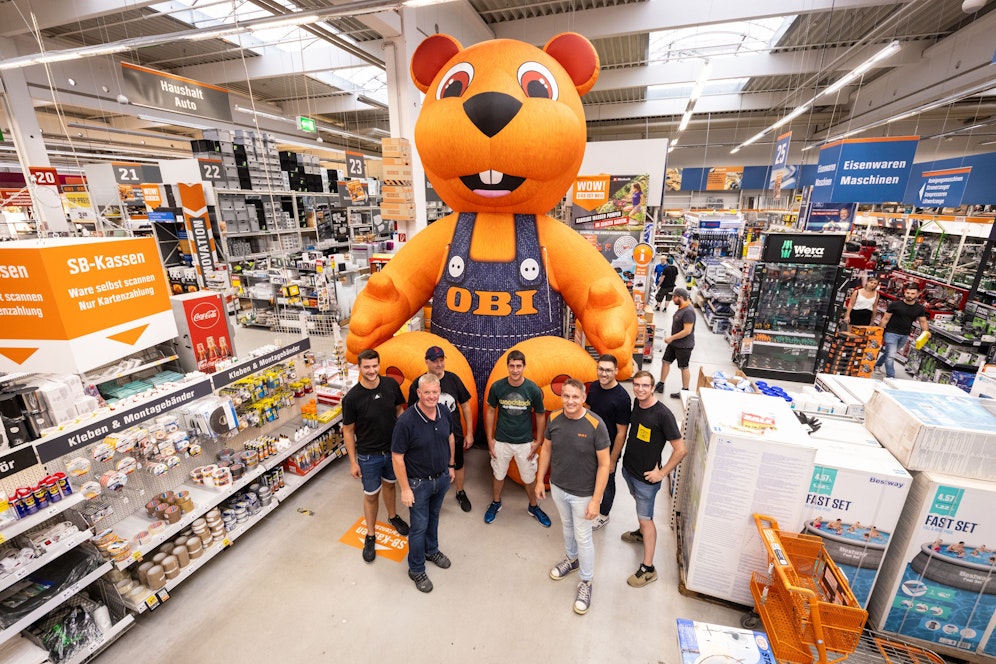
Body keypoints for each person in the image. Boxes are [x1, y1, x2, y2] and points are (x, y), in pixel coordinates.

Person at [536, 378, 611, 614]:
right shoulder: (554, 418)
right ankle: (571, 559)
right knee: (567, 527)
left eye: (575, 397)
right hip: (559, 487)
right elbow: (546, 448)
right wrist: (540, 480)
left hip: (583, 494)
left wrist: (596, 499)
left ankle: (586, 582)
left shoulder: (595, 424)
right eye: (566, 396)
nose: (570, 401)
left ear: (583, 398)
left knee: (584, 536)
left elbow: (604, 464)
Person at [619, 370, 686, 588]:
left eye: (645, 386)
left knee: (646, 518)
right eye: (637, 385)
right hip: (630, 470)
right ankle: (640, 533)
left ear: (653, 387)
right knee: (640, 510)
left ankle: (648, 568)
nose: (639, 389)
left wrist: (662, 472)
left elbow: (681, 450)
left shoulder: (663, 414)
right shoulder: (638, 404)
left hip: (646, 479)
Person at [343, 349, 409, 564]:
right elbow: (348, 430)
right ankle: (370, 535)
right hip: (368, 456)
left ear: (378, 365)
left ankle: (393, 516)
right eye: (366, 367)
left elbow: (399, 410)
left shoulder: (391, 385)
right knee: (371, 495)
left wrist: (403, 440)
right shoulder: (352, 398)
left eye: (374, 366)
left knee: (390, 485)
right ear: (359, 368)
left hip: (392, 452)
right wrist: (353, 462)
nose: (371, 371)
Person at [392, 373, 456, 593]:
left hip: (441, 478)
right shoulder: (406, 421)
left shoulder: (445, 412)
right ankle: (416, 568)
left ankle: (432, 550)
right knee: (418, 527)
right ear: (418, 393)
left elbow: (450, 438)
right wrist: (405, 489)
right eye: (426, 392)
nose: (431, 396)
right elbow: (397, 457)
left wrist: (450, 465)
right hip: (418, 484)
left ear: (440, 392)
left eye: (435, 392)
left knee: (434, 518)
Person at [484, 350, 550, 527]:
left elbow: (541, 415)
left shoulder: (532, 389)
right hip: (501, 440)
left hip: (525, 442)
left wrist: (538, 441)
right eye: (512, 366)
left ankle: (534, 506)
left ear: (524, 367)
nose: (515, 370)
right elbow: (490, 410)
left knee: (529, 477)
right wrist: (489, 438)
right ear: (507, 367)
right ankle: (496, 502)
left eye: (518, 366)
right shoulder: (498, 387)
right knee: (498, 473)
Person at [407, 346, 474, 512]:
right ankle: (430, 495)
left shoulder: (454, 380)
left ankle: (460, 491)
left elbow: (465, 406)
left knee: (457, 463)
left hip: (453, 434)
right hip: (427, 437)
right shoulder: (418, 384)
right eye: (435, 361)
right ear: (426, 362)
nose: (439, 364)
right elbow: (411, 413)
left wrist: (470, 432)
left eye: (441, 360)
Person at [586, 354, 631, 531]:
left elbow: (621, 433)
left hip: (608, 448)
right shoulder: (594, 387)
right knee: (592, 476)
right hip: (591, 443)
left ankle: (604, 515)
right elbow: (588, 411)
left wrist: (612, 459)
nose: (604, 374)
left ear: (616, 371)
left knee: (607, 480)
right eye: (601, 369)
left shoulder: (622, 398)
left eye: (608, 370)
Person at [874, 284, 929, 379]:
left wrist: (926, 332)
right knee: (891, 355)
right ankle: (890, 376)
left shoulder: (919, 308)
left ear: (917, 294)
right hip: (891, 332)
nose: (909, 295)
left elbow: (923, 321)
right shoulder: (895, 305)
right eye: (908, 293)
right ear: (904, 292)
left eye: (912, 293)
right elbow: (885, 319)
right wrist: (879, 331)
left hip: (904, 335)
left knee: (890, 353)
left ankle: (877, 365)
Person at [655, 287, 695, 398]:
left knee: (683, 367)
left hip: (684, 345)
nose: (672, 299)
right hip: (674, 344)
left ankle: (685, 391)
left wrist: (671, 338)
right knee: (665, 361)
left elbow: (687, 331)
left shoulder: (688, 312)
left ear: (680, 298)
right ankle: (661, 384)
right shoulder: (681, 308)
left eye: (674, 297)